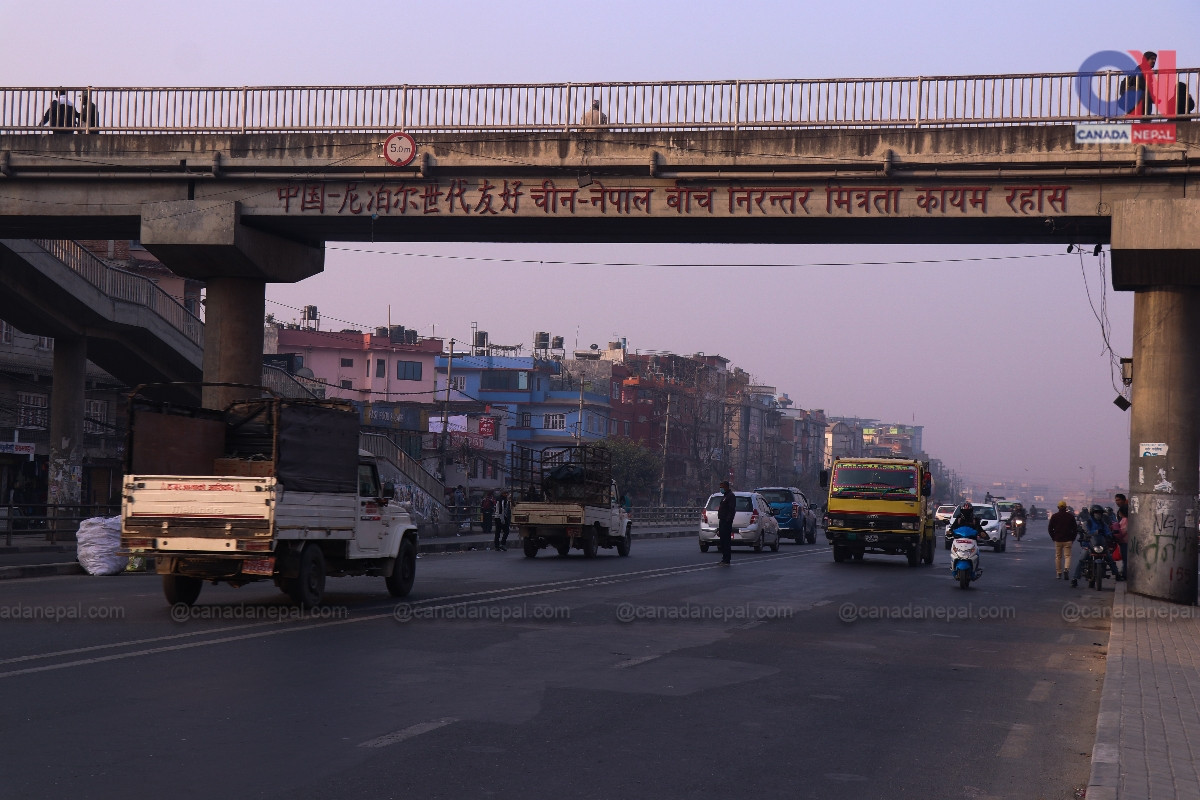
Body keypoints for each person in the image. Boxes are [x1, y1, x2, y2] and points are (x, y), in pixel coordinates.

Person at [1071, 504, 1121, 588]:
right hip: (1089, 544)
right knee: (1082, 560)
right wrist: (1095, 531)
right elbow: (1086, 531)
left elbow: (1107, 531)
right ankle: (1075, 579)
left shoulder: (1103, 524)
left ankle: (1117, 575)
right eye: (1096, 513)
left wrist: (1110, 535)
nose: (1098, 515)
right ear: (1092, 513)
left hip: (1101, 545)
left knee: (1110, 558)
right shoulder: (1088, 523)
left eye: (1100, 513)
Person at [1119, 51, 1156, 117]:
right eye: (1152, 59)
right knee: (1146, 116)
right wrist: (1152, 97)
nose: (1154, 61)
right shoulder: (1141, 70)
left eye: (1155, 59)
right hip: (1137, 100)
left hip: (1140, 100)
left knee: (1146, 116)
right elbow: (1140, 85)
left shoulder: (1146, 71)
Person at [1048, 500, 1077, 580]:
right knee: (1067, 556)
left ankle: (1059, 572)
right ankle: (1066, 569)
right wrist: (1073, 538)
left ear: (1058, 508)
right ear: (1066, 507)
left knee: (1058, 556)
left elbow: (1050, 528)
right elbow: (1075, 529)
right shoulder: (1070, 516)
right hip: (1068, 539)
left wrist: (1053, 537)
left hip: (1058, 539)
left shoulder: (1054, 516)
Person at [716, 481, 735, 565]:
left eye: (722, 487)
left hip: (726, 522)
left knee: (726, 541)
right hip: (722, 521)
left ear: (726, 487)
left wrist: (728, 520)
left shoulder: (731, 496)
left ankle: (727, 559)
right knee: (722, 541)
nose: (721, 489)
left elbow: (731, 510)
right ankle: (724, 558)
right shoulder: (725, 496)